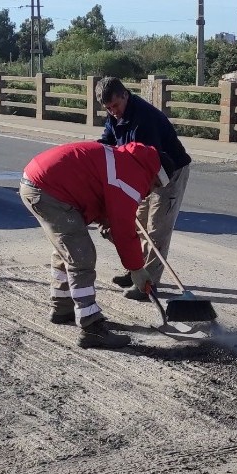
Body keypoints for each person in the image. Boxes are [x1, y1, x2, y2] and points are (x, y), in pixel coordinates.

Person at [19, 141, 168, 350]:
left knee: (66, 250)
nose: (151, 192)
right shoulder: (133, 178)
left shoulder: (124, 161)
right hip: (49, 190)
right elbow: (124, 230)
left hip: (40, 183)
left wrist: (109, 226)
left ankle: (62, 307)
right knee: (81, 257)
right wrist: (137, 269)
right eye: (156, 186)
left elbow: (104, 205)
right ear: (154, 176)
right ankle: (92, 329)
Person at [95, 77, 193, 300]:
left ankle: (148, 284)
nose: (113, 112)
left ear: (125, 95)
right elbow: (108, 143)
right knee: (136, 226)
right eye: (108, 109)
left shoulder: (144, 120)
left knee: (156, 230)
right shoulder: (114, 116)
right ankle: (136, 271)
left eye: (115, 106)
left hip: (168, 173)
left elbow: (151, 160)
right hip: (141, 175)